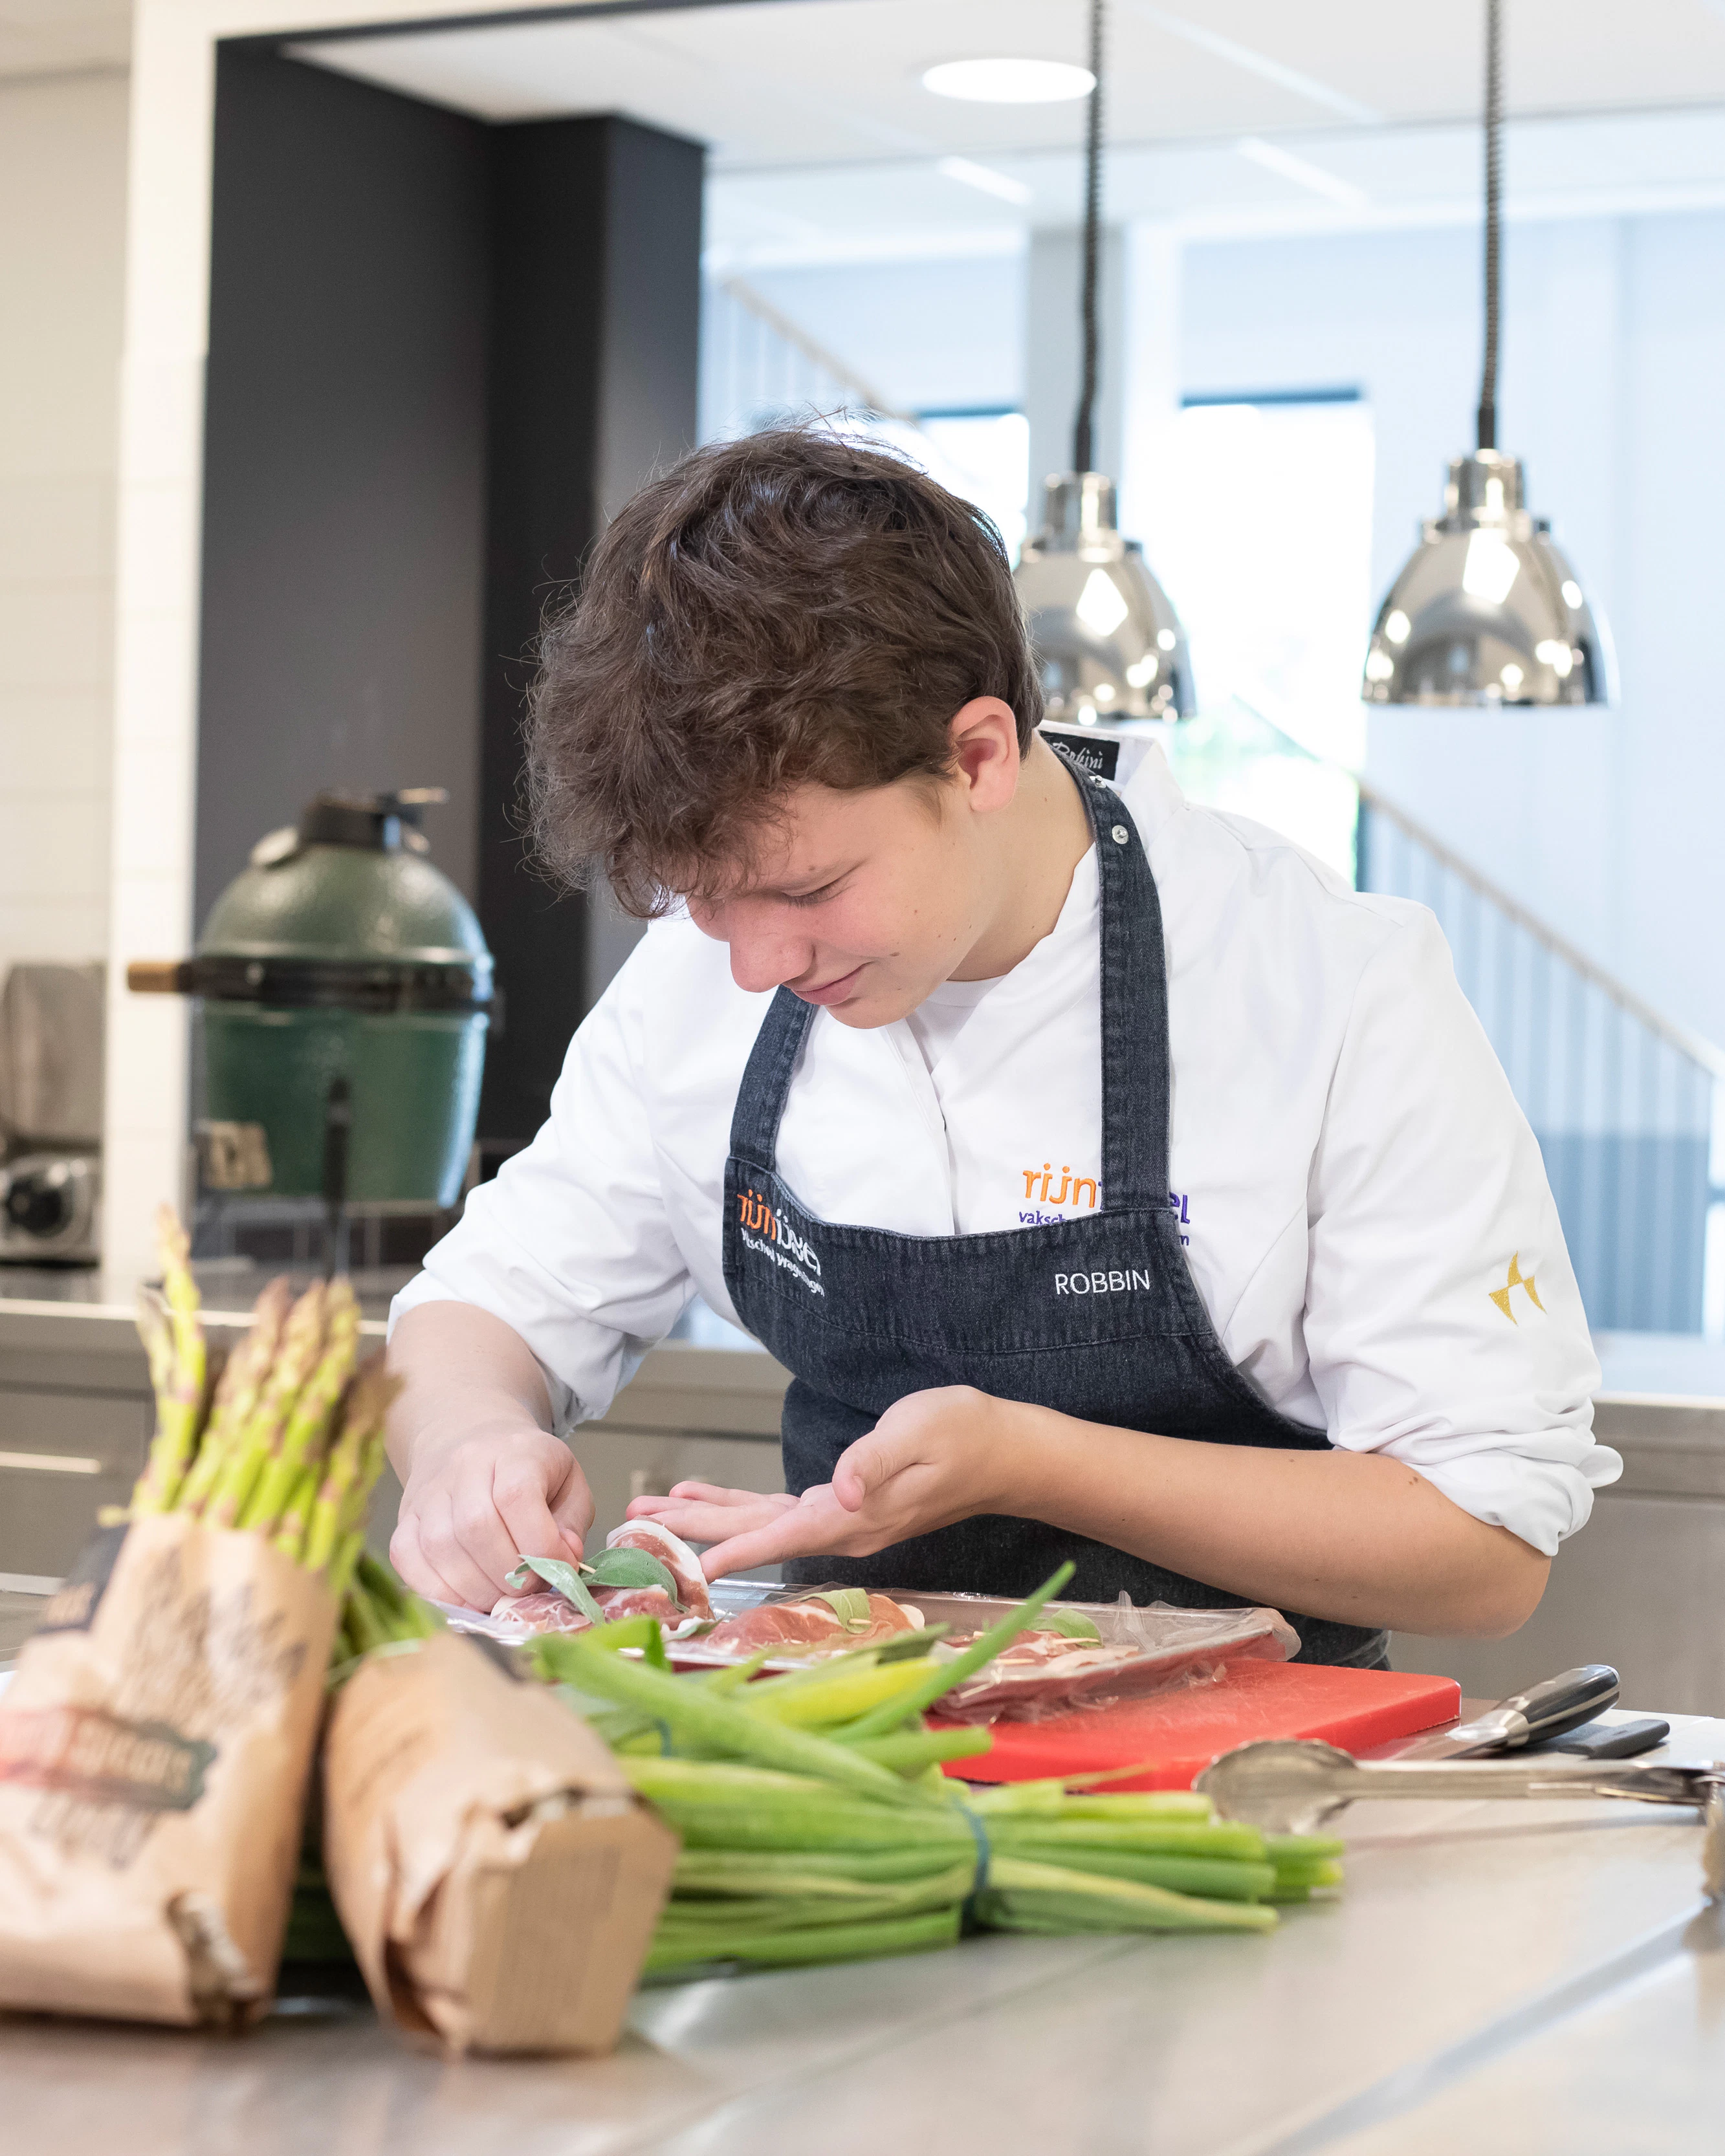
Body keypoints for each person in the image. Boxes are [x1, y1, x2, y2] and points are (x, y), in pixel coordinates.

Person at [384, 427, 1617, 1666]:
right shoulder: (704, 979)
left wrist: (1032, 1464)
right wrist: (465, 1447)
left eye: (807, 890)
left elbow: (1481, 1545)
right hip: (849, 1768)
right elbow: (490, 1306)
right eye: (701, 901)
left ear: (975, 756)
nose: (754, 963)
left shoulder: (1326, 986)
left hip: (1244, 1795)